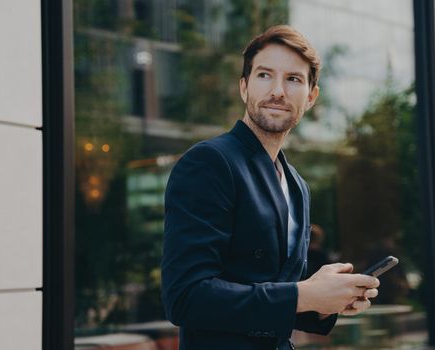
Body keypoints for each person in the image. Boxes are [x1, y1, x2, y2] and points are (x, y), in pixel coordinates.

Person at [161, 25, 380, 350]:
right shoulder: (210, 162)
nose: (278, 90)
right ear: (244, 87)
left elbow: (277, 295)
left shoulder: (297, 185)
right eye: (265, 75)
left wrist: (326, 300)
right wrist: (302, 295)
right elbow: (186, 297)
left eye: (293, 79)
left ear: (310, 97)